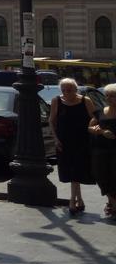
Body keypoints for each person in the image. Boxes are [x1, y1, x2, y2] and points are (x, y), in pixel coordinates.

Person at [50, 78, 95, 215]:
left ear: (75, 89)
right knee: (70, 171)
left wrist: (90, 129)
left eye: (69, 90)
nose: (66, 93)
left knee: (77, 170)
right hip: (64, 141)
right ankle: (79, 199)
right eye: (63, 90)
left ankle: (72, 201)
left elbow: (94, 117)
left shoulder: (85, 101)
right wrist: (56, 139)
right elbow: (52, 120)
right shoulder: (56, 101)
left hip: (82, 141)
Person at [89, 83, 116, 219]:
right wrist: (98, 131)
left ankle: (112, 204)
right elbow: (90, 127)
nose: (109, 98)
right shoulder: (100, 111)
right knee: (99, 174)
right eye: (107, 96)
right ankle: (112, 202)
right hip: (100, 149)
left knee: (114, 176)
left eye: (112, 96)